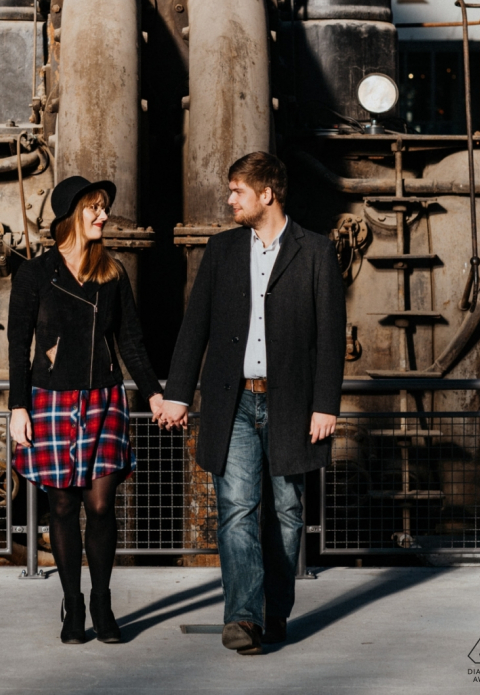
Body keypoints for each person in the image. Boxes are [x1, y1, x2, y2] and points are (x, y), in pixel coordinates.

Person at [154, 151, 346, 656]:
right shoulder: (222, 251)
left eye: (238, 190)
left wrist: (326, 404)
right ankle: (243, 617)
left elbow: (330, 336)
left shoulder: (316, 252)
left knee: (286, 512)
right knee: (237, 509)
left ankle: (273, 612)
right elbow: (195, 327)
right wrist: (177, 394)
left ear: (268, 194)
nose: (229, 198)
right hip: (233, 401)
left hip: (293, 405)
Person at [8, 175, 164, 645]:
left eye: (103, 208)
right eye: (94, 208)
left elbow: (131, 342)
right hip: (51, 399)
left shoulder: (112, 273)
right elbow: (19, 346)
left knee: (99, 504)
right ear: (70, 216)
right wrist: (18, 406)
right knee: (61, 503)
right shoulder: (35, 274)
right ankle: (72, 604)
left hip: (103, 399)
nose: (103, 215)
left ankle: (101, 599)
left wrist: (154, 393)